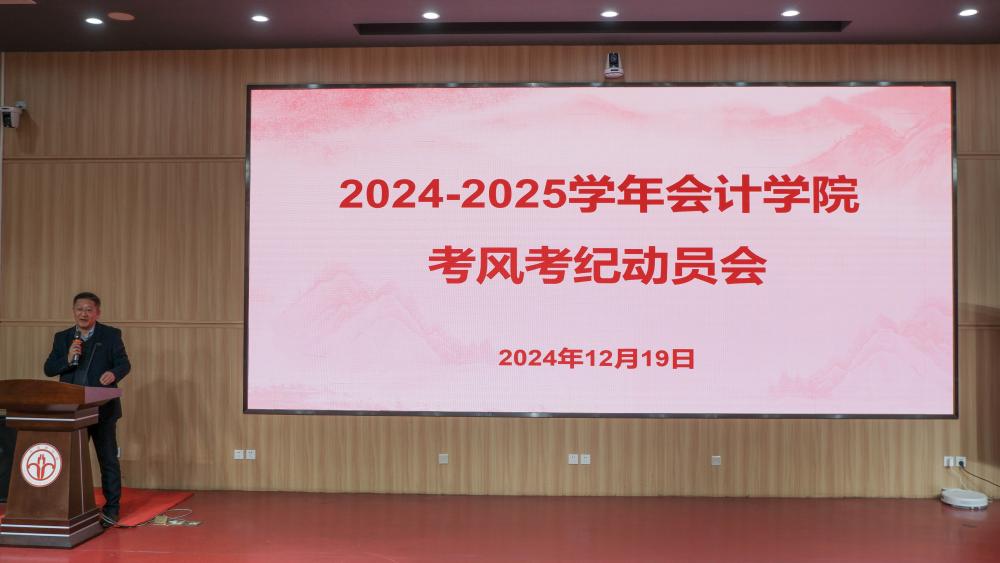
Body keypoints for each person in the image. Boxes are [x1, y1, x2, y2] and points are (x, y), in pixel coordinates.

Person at [43, 292, 131, 528]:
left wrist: (114, 373)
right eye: (79, 309)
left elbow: (124, 363)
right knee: (69, 462)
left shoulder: (110, 335)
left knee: (107, 459)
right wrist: (68, 358)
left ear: (97, 313)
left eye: (88, 309)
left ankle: (111, 509)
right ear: (74, 311)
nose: (83, 313)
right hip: (72, 411)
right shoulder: (63, 338)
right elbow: (49, 369)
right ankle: (69, 507)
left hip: (102, 409)